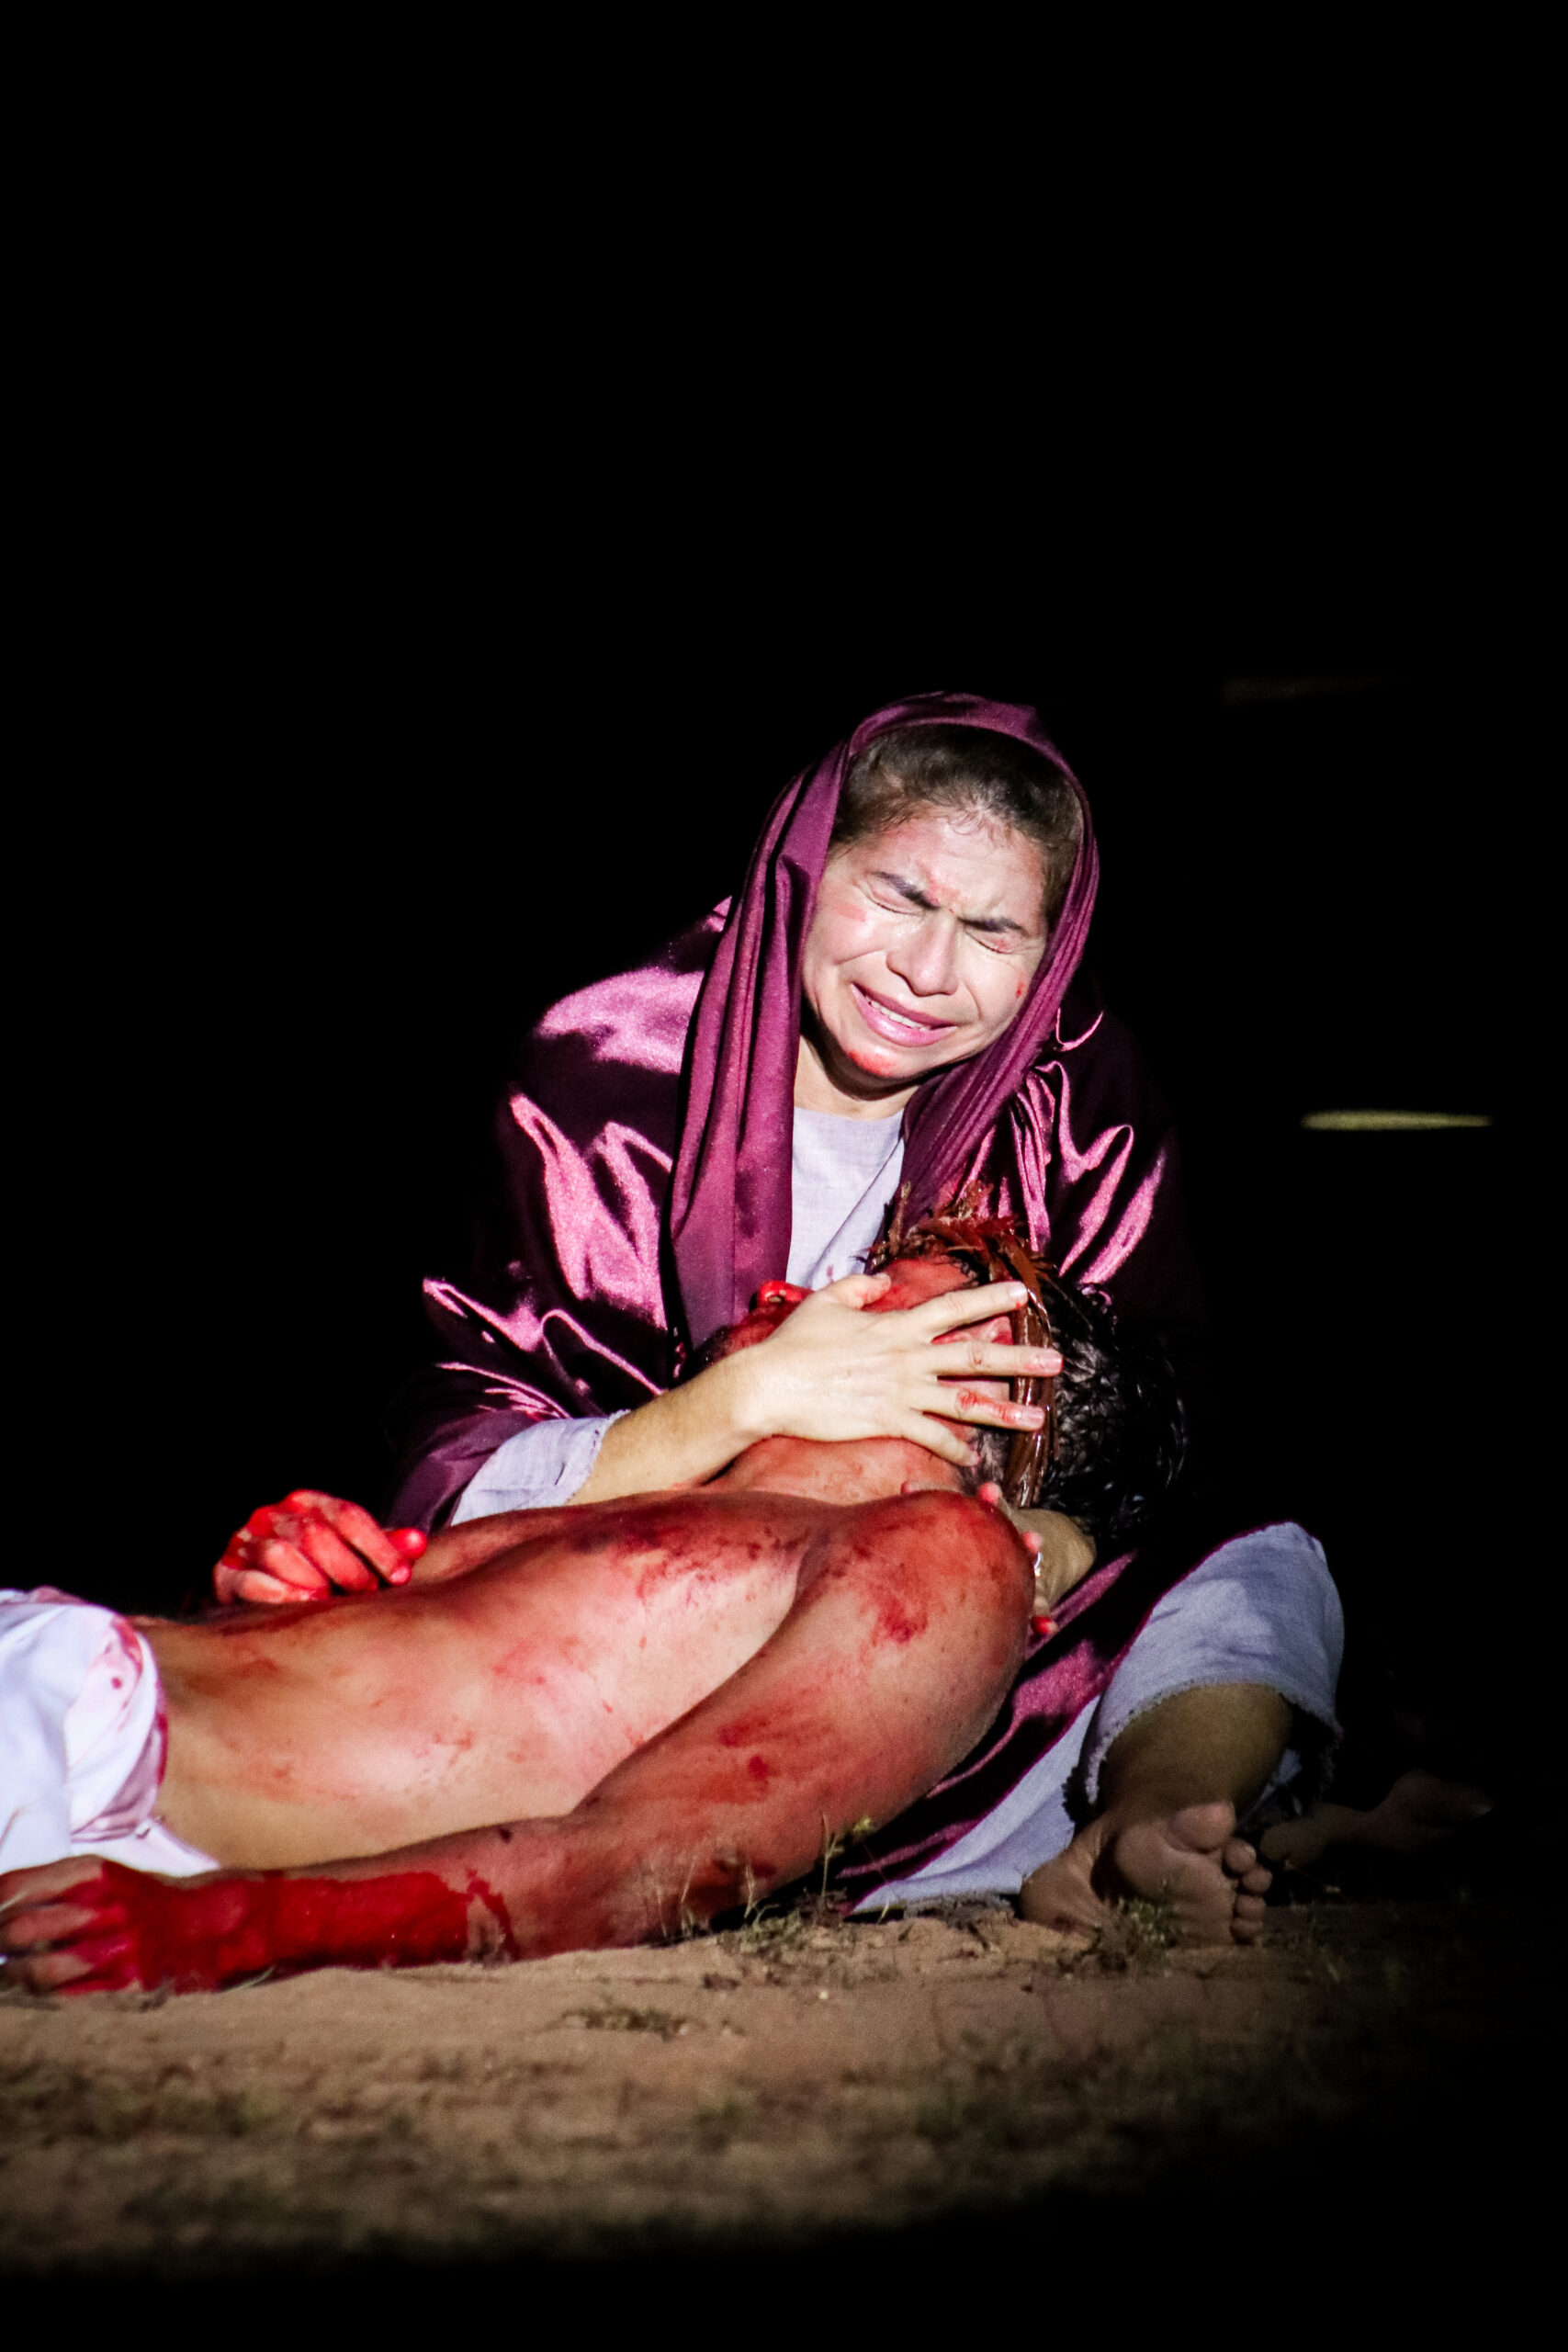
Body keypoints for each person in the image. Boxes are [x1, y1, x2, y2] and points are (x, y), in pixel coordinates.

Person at [208, 693, 1342, 1928]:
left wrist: (1052, 1542)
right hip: (641, 1588)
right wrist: (751, 1397)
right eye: (897, 897)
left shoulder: (1078, 1096)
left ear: (1051, 950)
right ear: (804, 869)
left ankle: (1152, 1817)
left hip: (945, 1607)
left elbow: (1159, 1419)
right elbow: (469, 1439)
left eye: (992, 930)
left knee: (1260, 1562)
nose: (927, 973)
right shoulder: (605, 1069)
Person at [1, 1236, 1330, 1994]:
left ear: (993, 1398)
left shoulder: (944, 1559)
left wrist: (231, 1926)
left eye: (885, 1295)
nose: (796, 1299)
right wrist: (266, 1580)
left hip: (104, 1784)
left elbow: (642, 1862)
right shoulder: (654, 1495)